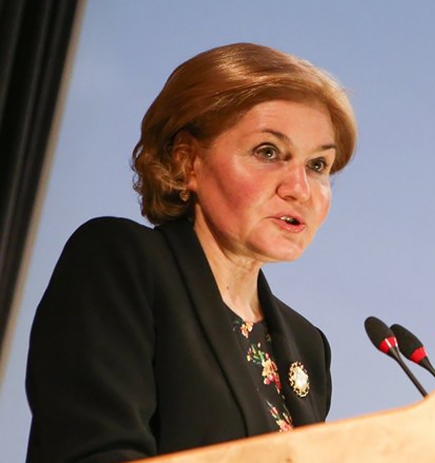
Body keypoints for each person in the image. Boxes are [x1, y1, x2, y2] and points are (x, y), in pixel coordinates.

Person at [25, 42, 356, 462]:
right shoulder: (122, 262)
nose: (300, 189)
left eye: (317, 165)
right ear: (187, 162)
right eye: (268, 152)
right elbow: (95, 450)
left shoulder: (307, 345)